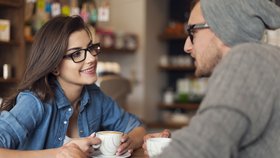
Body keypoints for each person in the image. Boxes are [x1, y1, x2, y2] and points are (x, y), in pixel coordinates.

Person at [143, 0, 280, 157]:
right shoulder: (264, 63)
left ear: (223, 27)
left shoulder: (247, 60)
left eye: (192, 32)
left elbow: (198, 150)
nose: (186, 46)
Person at [0, 15, 146, 158]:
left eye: (90, 48)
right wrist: (59, 153)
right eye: (76, 54)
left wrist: (128, 142)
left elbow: (137, 128)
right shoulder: (34, 101)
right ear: (55, 66)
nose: (91, 58)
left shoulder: (95, 96)